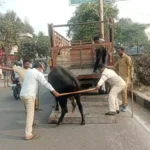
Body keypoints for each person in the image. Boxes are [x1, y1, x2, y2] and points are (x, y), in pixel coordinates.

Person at [20, 61, 60, 140]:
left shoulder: (29, 72)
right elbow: (45, 83)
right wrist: (54, 91)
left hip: (23, 95)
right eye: (42, 68)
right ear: (39, 67)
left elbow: (42, 76)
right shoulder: (38, 74)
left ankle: (31, 124)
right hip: (29, 96)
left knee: (28, 111)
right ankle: (28, 134)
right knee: (30, 114)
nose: (42, 69)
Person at [113, 47, 134, 112]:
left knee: (124, 90)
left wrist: (131, 76)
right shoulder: (119, 59)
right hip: (120, 77)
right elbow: (115, 66)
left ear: (123, 51)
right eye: (117, 51)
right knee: (122, 91)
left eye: (119, 51)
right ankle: (123, 104)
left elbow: (131, 67)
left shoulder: (127, 58)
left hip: (126, 77)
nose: (118, 53)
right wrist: (106, 67)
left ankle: (125, 106)